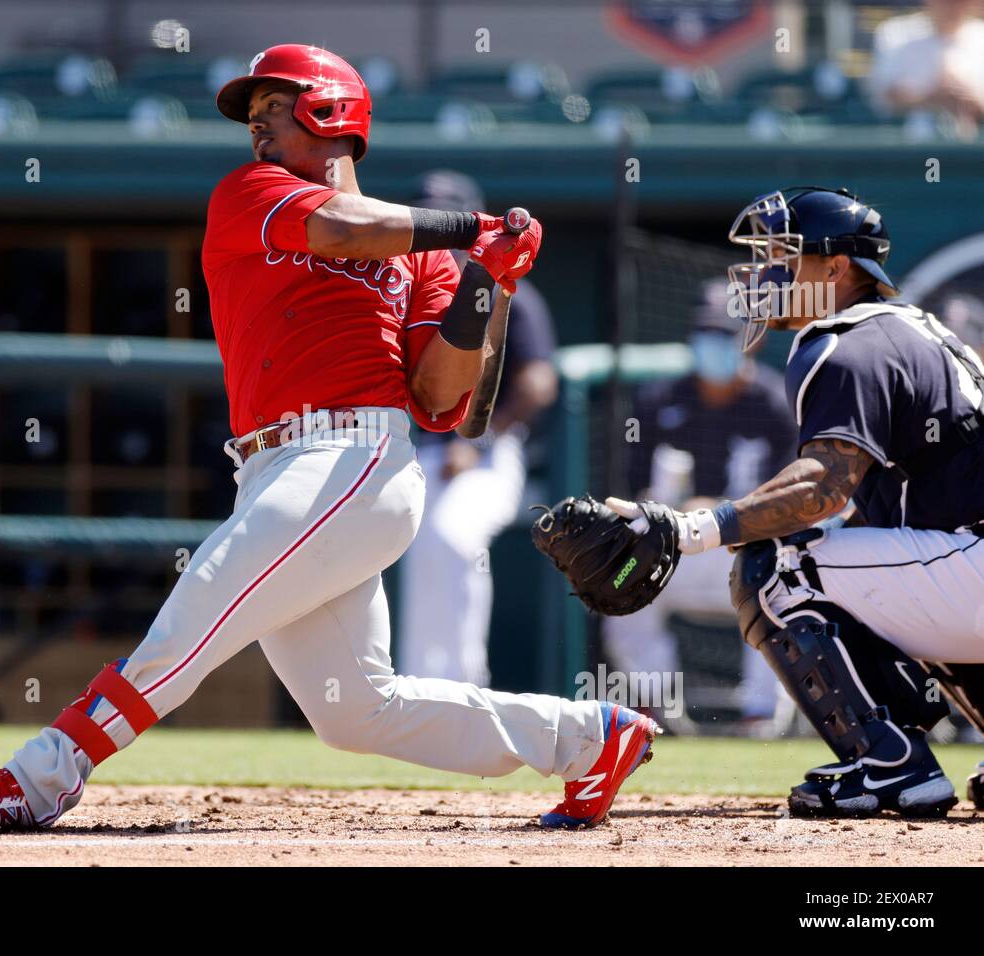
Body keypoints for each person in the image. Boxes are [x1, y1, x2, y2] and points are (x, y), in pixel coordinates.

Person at [0, 44, 658, 832]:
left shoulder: (427, 264)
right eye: (253, 113)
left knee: (188, 623)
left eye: (271, 107)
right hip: (276, 468)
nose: (257, 127)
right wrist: (475, 228)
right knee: (359, 712)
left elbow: (442, 399)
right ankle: (591, 739)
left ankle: (41, 778)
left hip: (354, 458)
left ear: (330, 110)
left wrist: (484, 279)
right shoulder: (252, 193)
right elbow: (344, 230)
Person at [606, 186, 984, 817]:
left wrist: (693, 529)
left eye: (782, 255)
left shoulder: (844, 339)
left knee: (778, 564)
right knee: (860, 571)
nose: (762, 273)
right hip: (966, 563)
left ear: (835, 268)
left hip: (971, 565)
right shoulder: (915, 329)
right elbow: (876, 512)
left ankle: (890, 766)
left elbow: (821, 487)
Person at [601, 281, 796, 730]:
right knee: (620, 584)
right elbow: (633, 491)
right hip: (678, 548)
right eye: (705, 333)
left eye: (724, 335)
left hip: (746, 550)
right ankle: (664, 715)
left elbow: (790, 501)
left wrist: (725, 509)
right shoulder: (659, 401)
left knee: (785, 588)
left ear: (751, 338)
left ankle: (761, 721)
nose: (712, 345)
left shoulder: (775, 405)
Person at [398, 170, 557, 688]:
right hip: (415, 453)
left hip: (491, 454)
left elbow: (539, 384)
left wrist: (480, 439)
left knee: (454, 537)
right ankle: (415, 686)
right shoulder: (408, 291)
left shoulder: (511, 293)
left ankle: (466, 685)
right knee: (411, 545)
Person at [867, 0, 984, 121]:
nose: (953, 6)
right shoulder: (895, 32)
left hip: (975, 134)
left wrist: (972, 99)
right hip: (910, 135)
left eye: (960, 2)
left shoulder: (981, 36)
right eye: (947, 2)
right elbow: (883, 97)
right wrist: (931, 96)